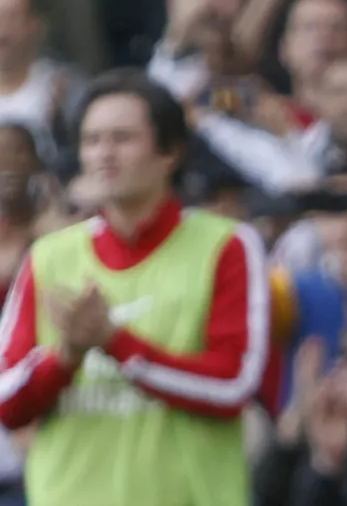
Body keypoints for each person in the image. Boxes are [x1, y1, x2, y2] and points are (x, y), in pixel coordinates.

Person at [0, 69, 271, 506]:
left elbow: (233, 385)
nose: (103, 154)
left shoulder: (228, 246)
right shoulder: (49, 256)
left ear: (170, 152)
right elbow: (7, 403)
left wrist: (114, 342)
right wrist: (66, 356)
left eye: (122, 139)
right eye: (92, 140)